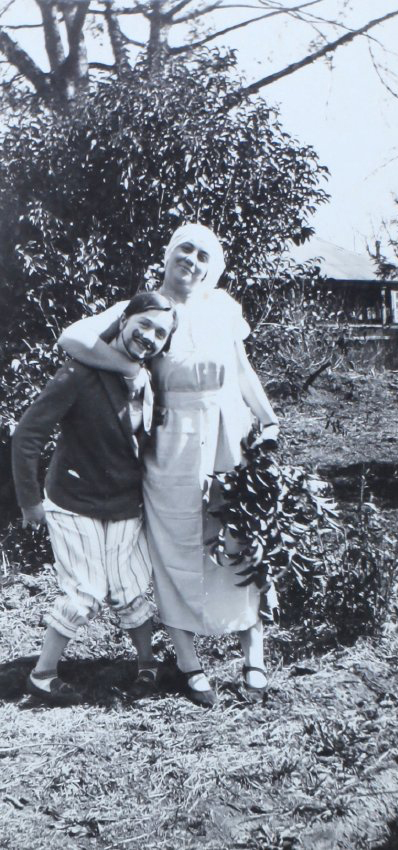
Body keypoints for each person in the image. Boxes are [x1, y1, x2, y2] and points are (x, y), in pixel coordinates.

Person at [58, 223, 279, 707]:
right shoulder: (145, 306)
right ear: (168, 253)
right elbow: (72, 338)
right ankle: (189, 663)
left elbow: (241, 370)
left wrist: (268, 419)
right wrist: (130, 368)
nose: (192, 260)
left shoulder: (222, 307)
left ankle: (254, 656)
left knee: (239, 540)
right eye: (185, 248)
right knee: (175, 545)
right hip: (173, 443)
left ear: (212, 265)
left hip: (229, 437)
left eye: (203, 254)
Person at [11, 292, 178, 706]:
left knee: (130, 589)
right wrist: (29, 501)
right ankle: (42, 675)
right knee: (85, 592)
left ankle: (147, 666)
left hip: (124, 501)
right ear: (124, 320)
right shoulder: (79, 372)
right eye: (145, 324)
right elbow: (27, 435)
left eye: (161, 333)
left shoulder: (149, 377)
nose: (150, 336)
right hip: (73, 499)